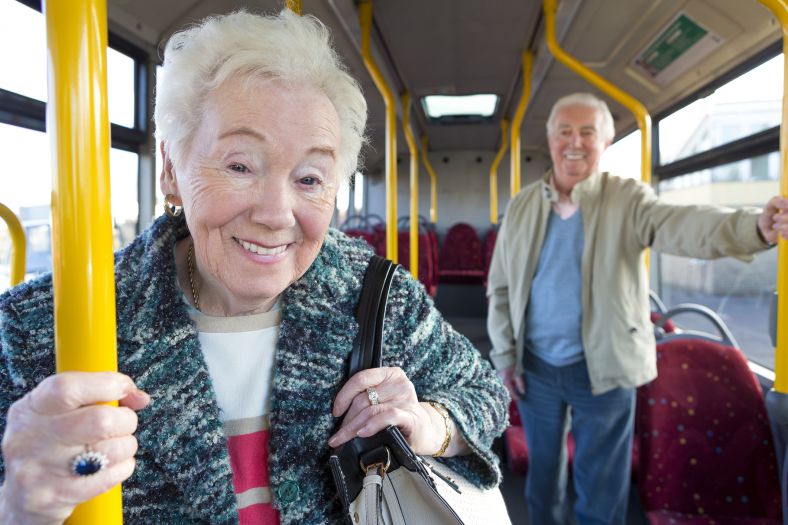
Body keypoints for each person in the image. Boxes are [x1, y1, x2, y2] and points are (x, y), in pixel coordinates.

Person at [0, 10, 509, 524]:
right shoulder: (38, 331)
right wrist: (18, 507)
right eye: (240, 166)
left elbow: (486, 396)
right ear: (171, 171)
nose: (274, 214)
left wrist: (428, 423)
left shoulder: (375, 296)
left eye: (310, 178)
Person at [486, 92, 788, 525]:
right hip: (536, 368)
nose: (575, 142)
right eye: (564, 132)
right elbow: (500, 288)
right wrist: (505, 357)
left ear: (605, 142)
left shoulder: (627, 199)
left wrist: (753, 228)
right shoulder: (522, 206)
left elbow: (685, 226)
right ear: (550, 140)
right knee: (542, 481)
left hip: (605, 369)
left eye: (587, 132)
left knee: (601, 487)